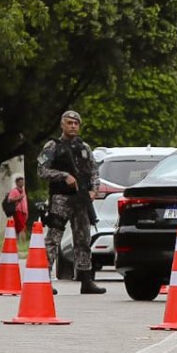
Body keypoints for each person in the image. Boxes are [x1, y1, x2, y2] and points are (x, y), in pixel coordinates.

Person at [36, 110, 105, 294]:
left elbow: (94, 172)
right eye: (69, 123)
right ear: (62, 125)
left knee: (83, 239)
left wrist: (93, 190)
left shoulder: (84, 148)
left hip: (81, 200)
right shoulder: (52, 146)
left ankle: (86, 280)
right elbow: (42, 171)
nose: (73, 126)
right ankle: (43, 280)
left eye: (76, 123)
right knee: (53, 239)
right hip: (61, 199)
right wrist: (63, 175)